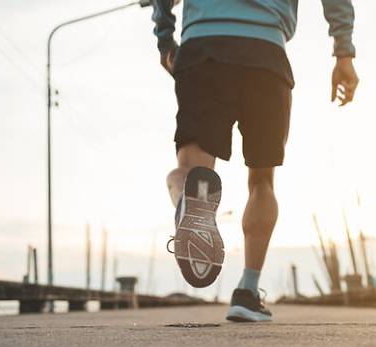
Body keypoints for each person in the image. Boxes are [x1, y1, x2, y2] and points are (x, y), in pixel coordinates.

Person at [151, 0, 358, 322]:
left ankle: (187, 206)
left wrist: (165, 37)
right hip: (266, 54)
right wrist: (344, 53)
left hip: (203, 47)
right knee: (262, 180)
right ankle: (247, 293)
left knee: (190, 169)